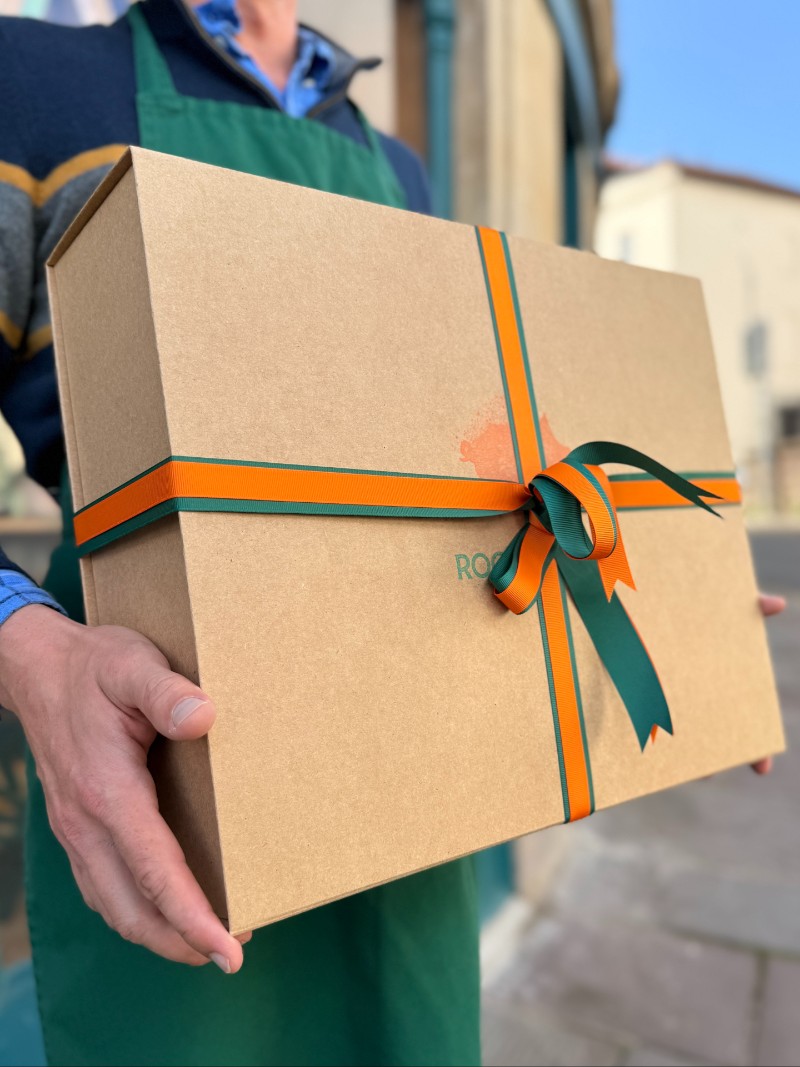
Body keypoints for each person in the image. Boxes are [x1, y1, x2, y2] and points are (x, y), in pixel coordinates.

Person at [0, 1, 783, 1064]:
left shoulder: (397, 165)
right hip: (160, 763)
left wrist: (685, 599)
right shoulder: (30, 81)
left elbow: (432, 492)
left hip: (407, 783)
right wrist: (32, 652)